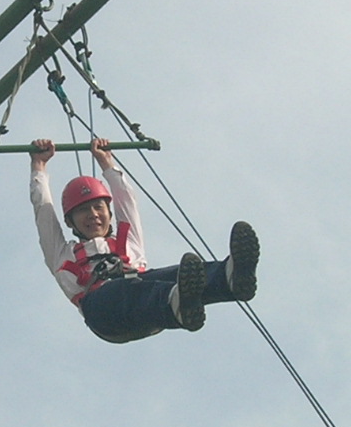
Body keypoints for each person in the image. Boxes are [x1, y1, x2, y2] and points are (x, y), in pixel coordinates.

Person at [29, 135, 259, 344]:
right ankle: (175, 303)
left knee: (179, 274)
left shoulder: (127, 240)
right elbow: (43, 211)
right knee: (121, 289)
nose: (93, 215)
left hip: (144, 298)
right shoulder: (62, 254)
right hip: (104, 314)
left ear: (109, 212)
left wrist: (107, 162)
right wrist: (39, 166)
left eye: (98, 207)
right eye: (83, 211)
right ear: (70, 222)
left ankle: (229, 278)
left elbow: (125, 199)